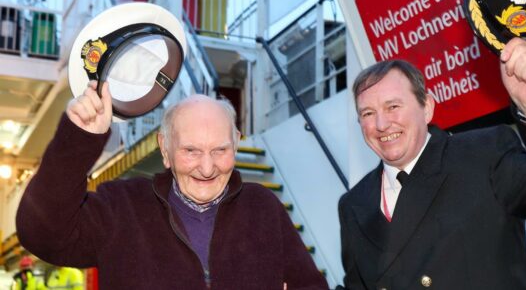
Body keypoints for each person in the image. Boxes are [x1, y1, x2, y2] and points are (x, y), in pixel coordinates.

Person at [338, 38, 526, 289]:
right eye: (368, 113)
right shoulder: (353, 204)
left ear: (427, 108)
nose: (382, 124)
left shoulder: (484, 154)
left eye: (393, 106)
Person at [16, 81, 328, 290]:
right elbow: (41, 234)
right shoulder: (121, 207)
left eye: (220, 150)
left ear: (236, 145)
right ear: (164, 150)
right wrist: (78, 141)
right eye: (191, 151)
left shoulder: (263, 207)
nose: (207, 168)